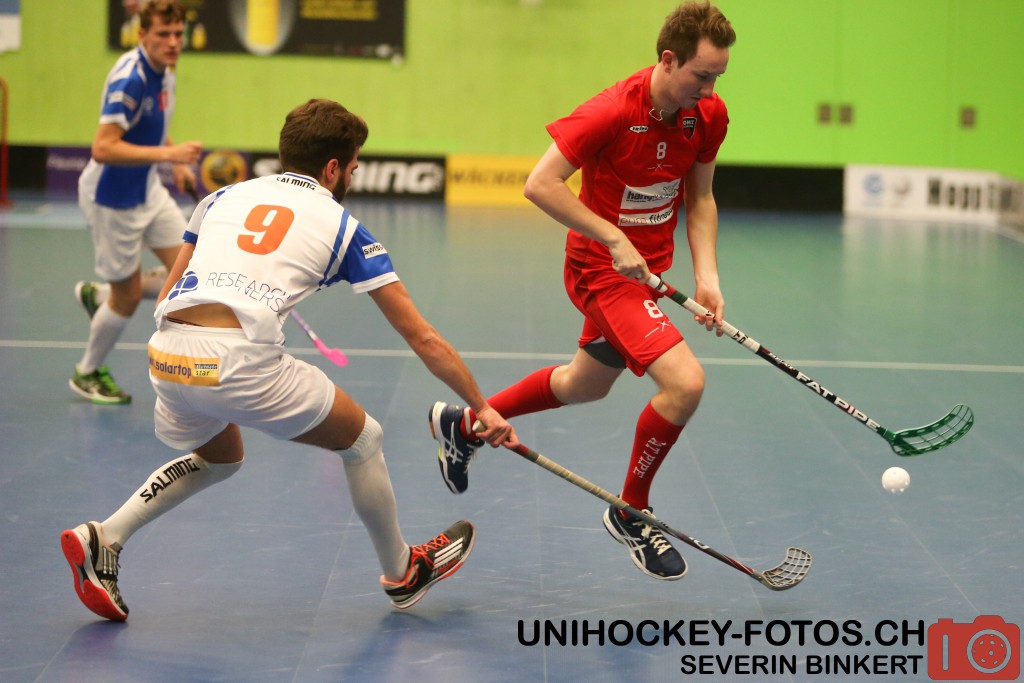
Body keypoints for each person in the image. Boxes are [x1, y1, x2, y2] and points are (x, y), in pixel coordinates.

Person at [60, 98, 517, 621]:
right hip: (239, 363)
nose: (353, 176)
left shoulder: (220, 198)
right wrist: (481, 406)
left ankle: (105, 537)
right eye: (353, 166)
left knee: (221, 458)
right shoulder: (344, 227)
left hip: (167, 354)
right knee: (364, 440)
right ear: (333, 168)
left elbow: (166, 295)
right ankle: (403, 572)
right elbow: (424, 338)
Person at [429, 1, 735, 581]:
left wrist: (708, 277)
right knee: (685, 384)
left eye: (718, 76)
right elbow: (539, 184)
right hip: (602, 270)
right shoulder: (611, 111)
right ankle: (631, 510)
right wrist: (612, 236)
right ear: (668, 60)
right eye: (701, 75)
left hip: (649, 273)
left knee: (583, 385)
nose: (709, 89)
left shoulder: (707, 115)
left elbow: (700, 198)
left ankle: (463, 426)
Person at [72, 0, 202, 405]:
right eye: (163, 34)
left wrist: (172, 160)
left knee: (191, 271)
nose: (173, 42)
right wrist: (170, 155)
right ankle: (87, 371)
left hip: (147, 188)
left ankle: (101, 294)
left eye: (177, 34)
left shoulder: (165, 70)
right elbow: (103, 147)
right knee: (127, 297)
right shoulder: (130, 79)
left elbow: (153, 123)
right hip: (112, 197)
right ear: (143, 34)